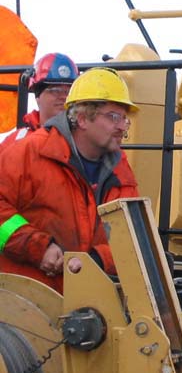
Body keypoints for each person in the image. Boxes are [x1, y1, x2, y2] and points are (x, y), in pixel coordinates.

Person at [0, 67, 139, 293]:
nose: (122, 126)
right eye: (114, 117)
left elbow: (133, 240)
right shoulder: (30, 153)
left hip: (88, 305)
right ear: (82, 119)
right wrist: (37, 247)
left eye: (124, 118)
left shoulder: (121, 170)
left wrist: (97, 259)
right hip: (24, 305)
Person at [0, 53, 80, 152]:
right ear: (38, 96)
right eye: (55, 90)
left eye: (69, 91)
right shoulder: (13, 143)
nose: (64, 96)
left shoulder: (86, 139)